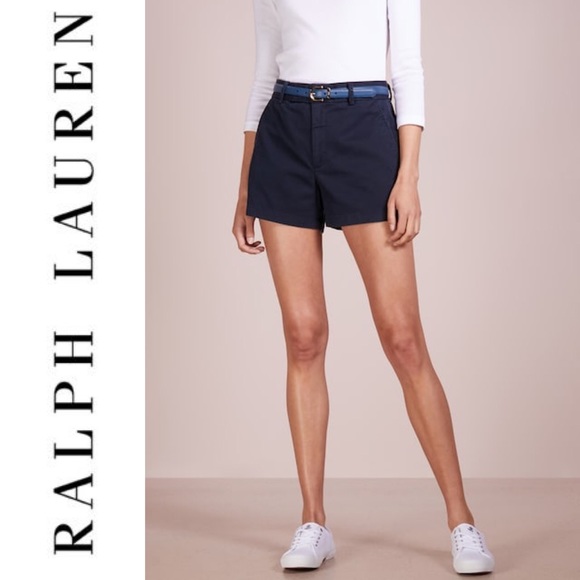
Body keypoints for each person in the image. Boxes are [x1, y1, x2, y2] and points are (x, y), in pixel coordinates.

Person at [232, 0, 496, 575]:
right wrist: (246, 181)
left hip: (365, 127)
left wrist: (409, 175)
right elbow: (264, 71)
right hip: (284, 135)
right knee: (303, 336)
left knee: (403, 338)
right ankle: (313, 521)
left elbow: (408, 68)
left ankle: (462, 520)